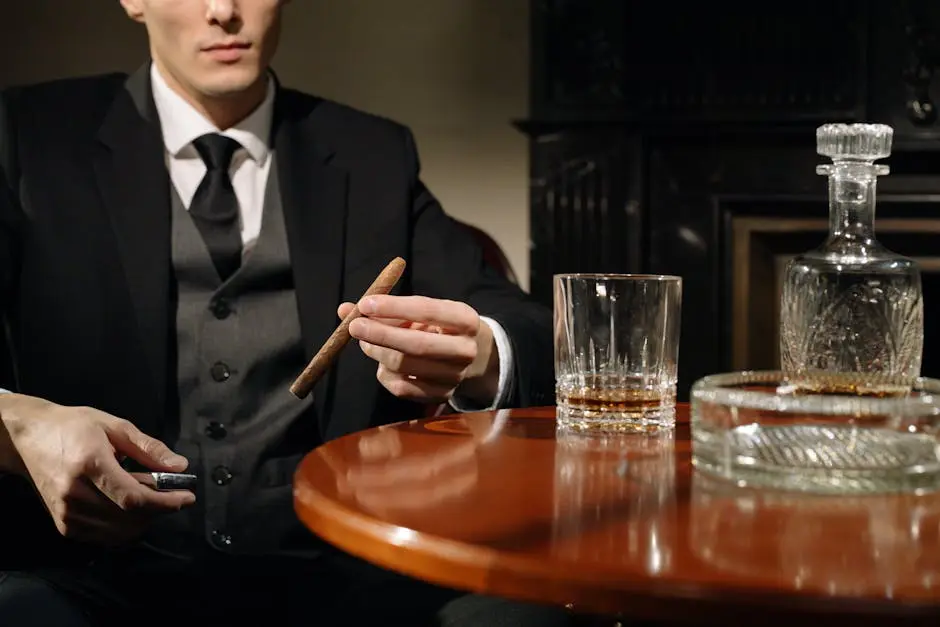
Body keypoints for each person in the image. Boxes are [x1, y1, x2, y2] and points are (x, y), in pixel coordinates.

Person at [0, 1, 565, 625]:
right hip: (93, 575)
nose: (223, 11)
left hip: (335, 576)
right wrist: (16, 419)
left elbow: (524, 325)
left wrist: (481, 352)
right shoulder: (30, 134)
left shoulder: (371, 152)